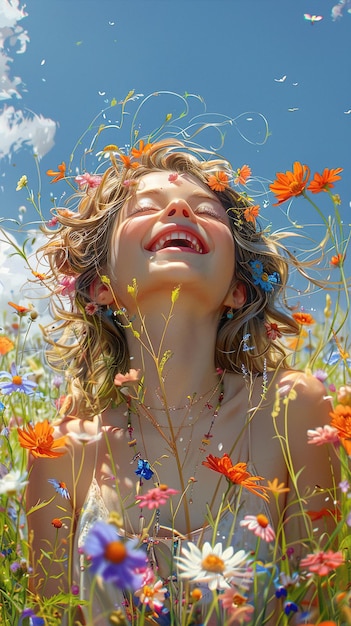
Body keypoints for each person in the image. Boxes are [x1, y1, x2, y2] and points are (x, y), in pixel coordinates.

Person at [26, 139, 335, 625]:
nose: (176, 208)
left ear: (237, 287)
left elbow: (321, 608)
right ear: (102, 283)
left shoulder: (293, 408)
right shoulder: (64, 449)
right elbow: (43, 615)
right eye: (145, 207)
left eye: (206, 210)